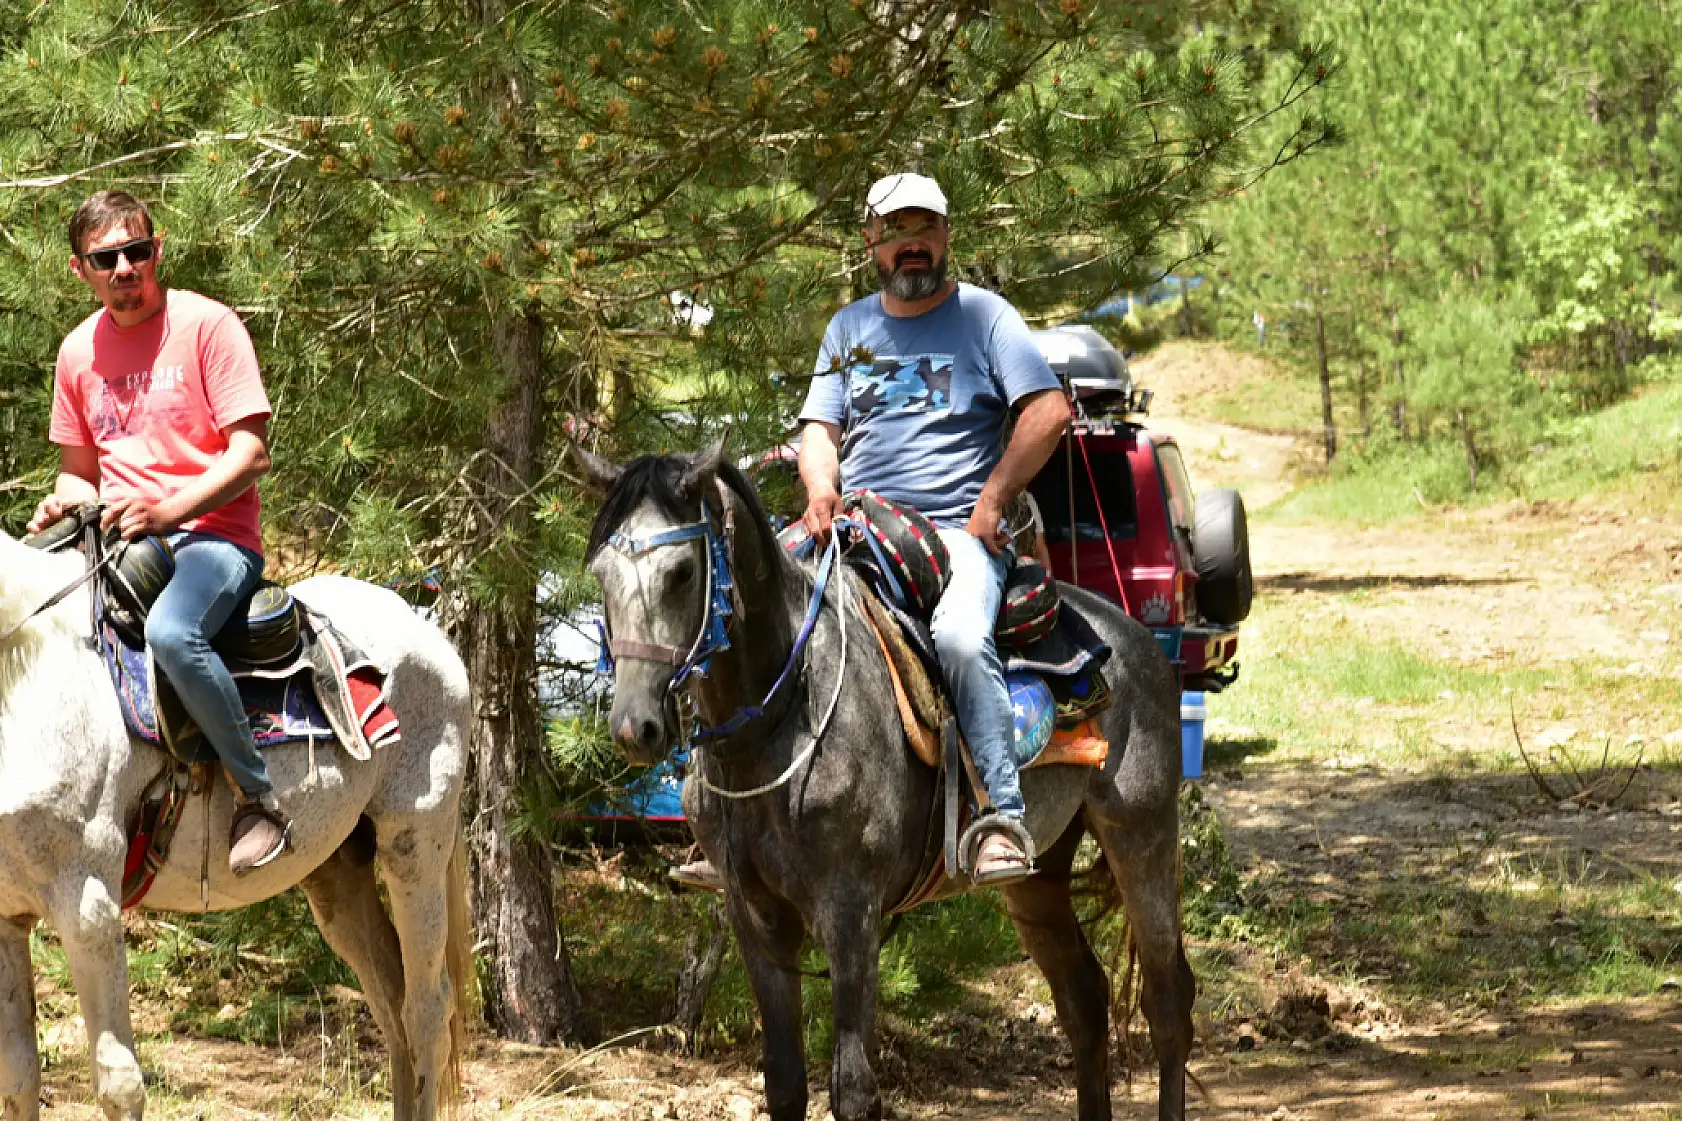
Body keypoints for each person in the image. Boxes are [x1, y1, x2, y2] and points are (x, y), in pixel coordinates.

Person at [673, 172, 1070, 890]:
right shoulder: (849, 327)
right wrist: (820, 485)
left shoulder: (986, 318)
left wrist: (995, 498)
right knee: (732, 605)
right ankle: (714, 809)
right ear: (871, 242)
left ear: (946, 236)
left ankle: (1000, 816)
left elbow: (1047, 410)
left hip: (956, 535)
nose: (910, 245)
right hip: (857, 531)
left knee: (956, 637)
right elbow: (819, 432)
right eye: (895, 231)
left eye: (923, 229)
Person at [26, 189, 290, 877]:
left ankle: (256, 794)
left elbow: (250, 453)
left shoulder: (208, 325)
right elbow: (80, 473)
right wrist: (62, 507)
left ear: (157, 251)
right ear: (79, 268)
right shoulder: (78, 351)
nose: (123, 267)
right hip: (120, 538)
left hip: (214, 537)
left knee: (175, 632)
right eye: (105, 257)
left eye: (136, 252)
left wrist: (169, 509)